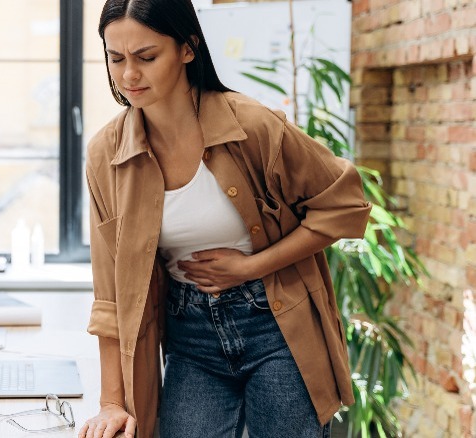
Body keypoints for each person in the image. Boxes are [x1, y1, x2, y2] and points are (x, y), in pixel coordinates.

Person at [79, 1, 371, 437]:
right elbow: (111, 296)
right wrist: (110, 403)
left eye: (146, 57)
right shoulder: (107, 156)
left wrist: (251, 266)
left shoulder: (252, 126)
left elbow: (344, 203)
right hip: (189, 336)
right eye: (115, 58)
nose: (129, 75)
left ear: (188, 48)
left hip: (276, 325)